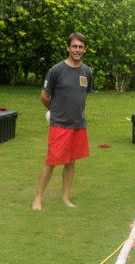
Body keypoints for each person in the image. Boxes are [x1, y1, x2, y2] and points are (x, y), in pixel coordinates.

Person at [32, 32, 93, 211]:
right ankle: (38, 198)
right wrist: (55, 111)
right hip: (59, 124)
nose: (77, 50)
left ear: (85, 50)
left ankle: (65, 197)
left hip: (78, 124)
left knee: (71, 162)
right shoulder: (56, 70)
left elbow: (82, 97)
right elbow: (44, 96)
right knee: (51, 161)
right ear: (68, 48)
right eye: (74, 46)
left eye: (81, 47)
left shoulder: (87, 72)